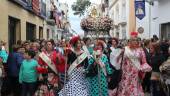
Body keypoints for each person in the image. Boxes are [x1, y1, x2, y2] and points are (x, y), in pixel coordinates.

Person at [114, 32, 152, 96]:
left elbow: (144, 61)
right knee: (125, 85)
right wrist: (120, 54)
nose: (135, 41)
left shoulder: (140, 50)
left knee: (134, 87)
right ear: (130, 41)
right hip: (125, 72)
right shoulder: (125, 49)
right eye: (133, 40)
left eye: (136, 40)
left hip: (135, 73)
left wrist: (142, 69)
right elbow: (117, 59)